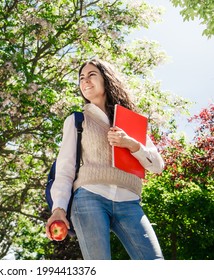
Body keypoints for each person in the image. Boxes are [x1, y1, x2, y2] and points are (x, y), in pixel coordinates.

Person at [45, 58, 164, 260]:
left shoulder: (130, 121)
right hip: (90, 198)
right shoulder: (77, 120)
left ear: (106, 79)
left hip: (129, 201)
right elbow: (65, 169)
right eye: (82, 78)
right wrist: (58, 209)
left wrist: (132, 144)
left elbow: (158, 166)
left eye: (92, 75)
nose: (85, 81)